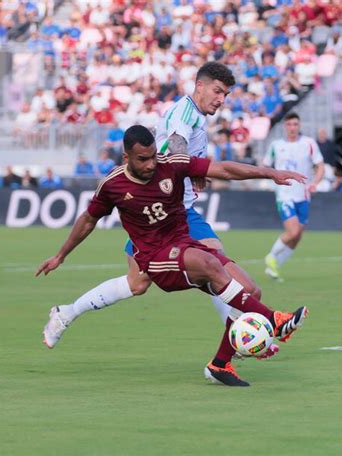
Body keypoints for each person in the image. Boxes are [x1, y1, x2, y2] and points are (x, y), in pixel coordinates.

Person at [36, 125, 309, 387]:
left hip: (184, 242)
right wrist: (61, 255)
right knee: (208, 264)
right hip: (155, 258)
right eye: (143, 159)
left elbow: (223, 169)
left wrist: (269, 173)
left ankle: (220, 364)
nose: (151, 164)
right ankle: (274, 320)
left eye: (153, 156)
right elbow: (87, 220)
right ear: (126, 157)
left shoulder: (172, 164)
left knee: (250, 290)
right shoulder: (113, 185)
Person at [41, 62, 272, 356]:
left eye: (225, 94)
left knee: (138, 283)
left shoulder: (195, 116)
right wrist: (188, 168)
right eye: (217, 91)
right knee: (216, 267)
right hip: (167, 214)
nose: (221, 99)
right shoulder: (184, 113)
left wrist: (193, 168)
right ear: (199, 85)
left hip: (168, 214)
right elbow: (175, 146)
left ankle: (66, 313)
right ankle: (241, 339)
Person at [263, 112, 325, 281]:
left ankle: (274, 268)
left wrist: (315, 183)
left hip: (303, 196)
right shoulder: (276, 145)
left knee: (297, 236)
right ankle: (271, 256)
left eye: (295, 124)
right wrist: (272, 180)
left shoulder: (309, 143)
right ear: (285, 126)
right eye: (289, 124)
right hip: (284, 195)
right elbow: (265, 166)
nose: (292, 128)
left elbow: (320, 166)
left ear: (299, 126)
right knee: (293, 231)